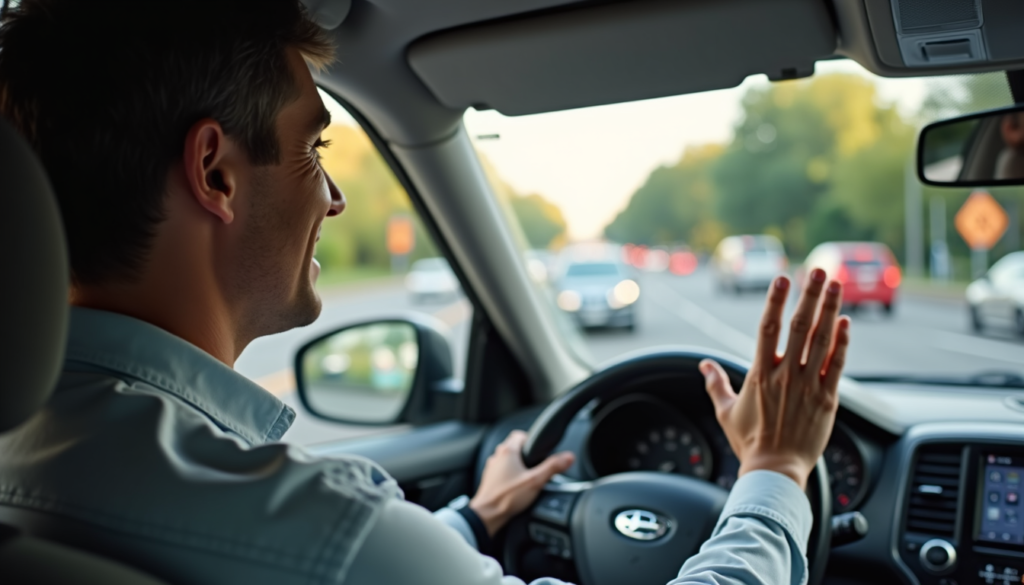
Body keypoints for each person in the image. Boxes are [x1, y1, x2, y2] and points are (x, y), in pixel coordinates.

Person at [0, 1, 850, 584]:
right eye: (312, 151)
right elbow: (336, 555)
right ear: (216, 171)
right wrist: (776, 470)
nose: (331, 198)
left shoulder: (42, 453)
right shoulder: (318, 524)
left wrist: (471, 522)